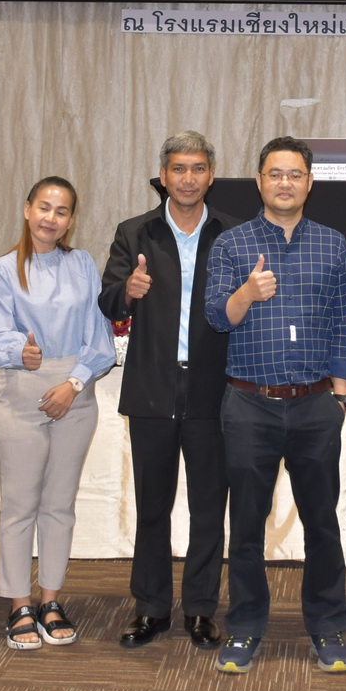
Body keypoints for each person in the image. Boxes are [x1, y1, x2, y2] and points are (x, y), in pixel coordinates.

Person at [204, 136, 346, 676]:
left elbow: (344, 324)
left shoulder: (332, 244)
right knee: (246, 525)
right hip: (249, 404)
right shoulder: (232, 244)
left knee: (322, 524)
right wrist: (247, 293)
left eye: (295, 174)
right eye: (275, 174)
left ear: (309, 183)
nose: (285, 183)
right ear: (259, 181)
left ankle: (327, 626)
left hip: (316, 404)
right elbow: (216, 317)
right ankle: (245, 628)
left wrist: (340, 397)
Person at [99, 132, 228, 650]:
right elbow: (108, 300)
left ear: (211, 175)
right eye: (178, 169)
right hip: (153, 387)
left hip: (213, 390)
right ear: (163, 175)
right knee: (152, 506)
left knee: (208, 507)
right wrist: (127, 292)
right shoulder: (135, 232)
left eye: (197, 169)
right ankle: (151, 607)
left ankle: (200, 609)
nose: (188, 178)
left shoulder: (232, 233)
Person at [0, 176, 116, 651]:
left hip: (74, 393)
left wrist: (73, 382)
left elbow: (100, 340)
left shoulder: (82, 265)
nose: (50, 218)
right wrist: (19, 349)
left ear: (71, 219)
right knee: (20, 506)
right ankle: (19, 604)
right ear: (27, 209)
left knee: (59, 505)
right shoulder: (3, 270)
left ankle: (50, 600)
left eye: (61, 211)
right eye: (43, 207)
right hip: (23, 391)